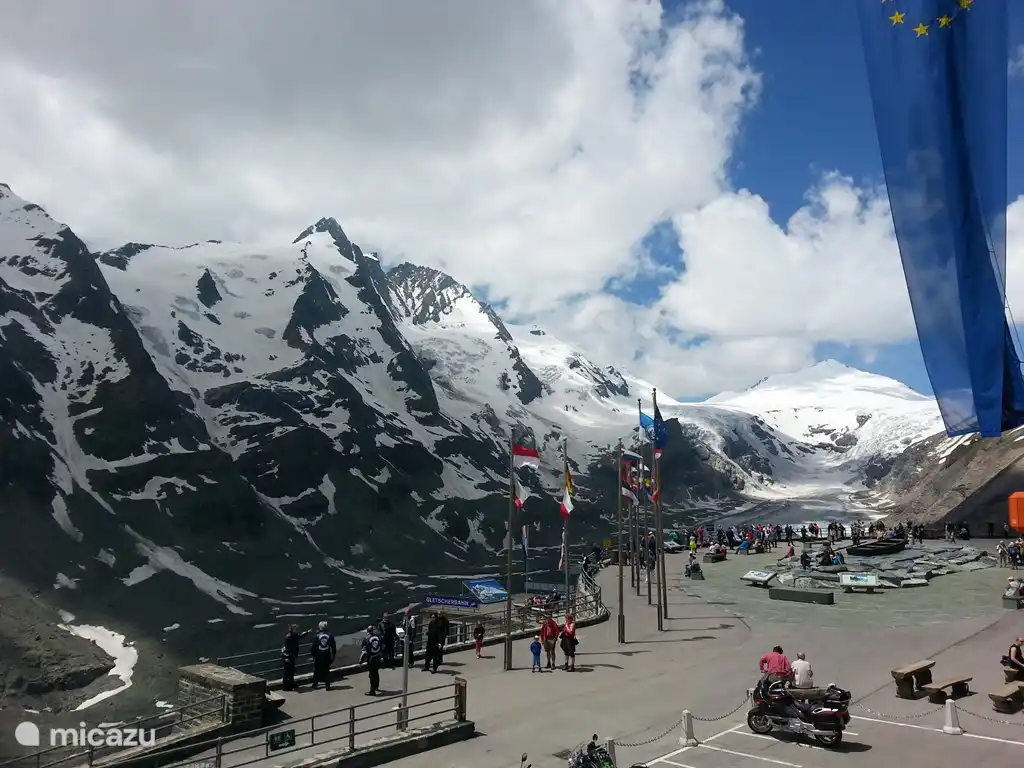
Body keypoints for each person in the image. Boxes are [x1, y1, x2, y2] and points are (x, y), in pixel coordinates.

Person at [280, 624, 309, 691]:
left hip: (291, 655)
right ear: (293, 629)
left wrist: (306, 632)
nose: (297, 630)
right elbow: (288, 647)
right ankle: (286, 686)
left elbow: (300, 637)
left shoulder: (293, 635)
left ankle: (291, 683)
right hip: (288, 656)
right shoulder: (289, 637)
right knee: (288, 671)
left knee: (291, 670)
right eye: (295, 629)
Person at [310, 621, 336, 690]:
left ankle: (315, 684)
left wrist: (313, 655)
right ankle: (327, 686)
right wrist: (333, 656)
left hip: (318, 656)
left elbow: (313, 647)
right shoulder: (331, 635)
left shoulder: (317, 636)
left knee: (316, 670)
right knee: (326, 671)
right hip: (326, 655)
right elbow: (333, 647)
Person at [361, 625, 384, 696]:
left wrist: (361, 661)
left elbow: (364, 651)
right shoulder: (378, 637)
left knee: (372, 675)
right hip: (378, 657)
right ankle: (376, 687)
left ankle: (372, 691)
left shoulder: (366, 639)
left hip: (371, 659)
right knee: (376, 673)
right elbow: (382, 646)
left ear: (368, 631)